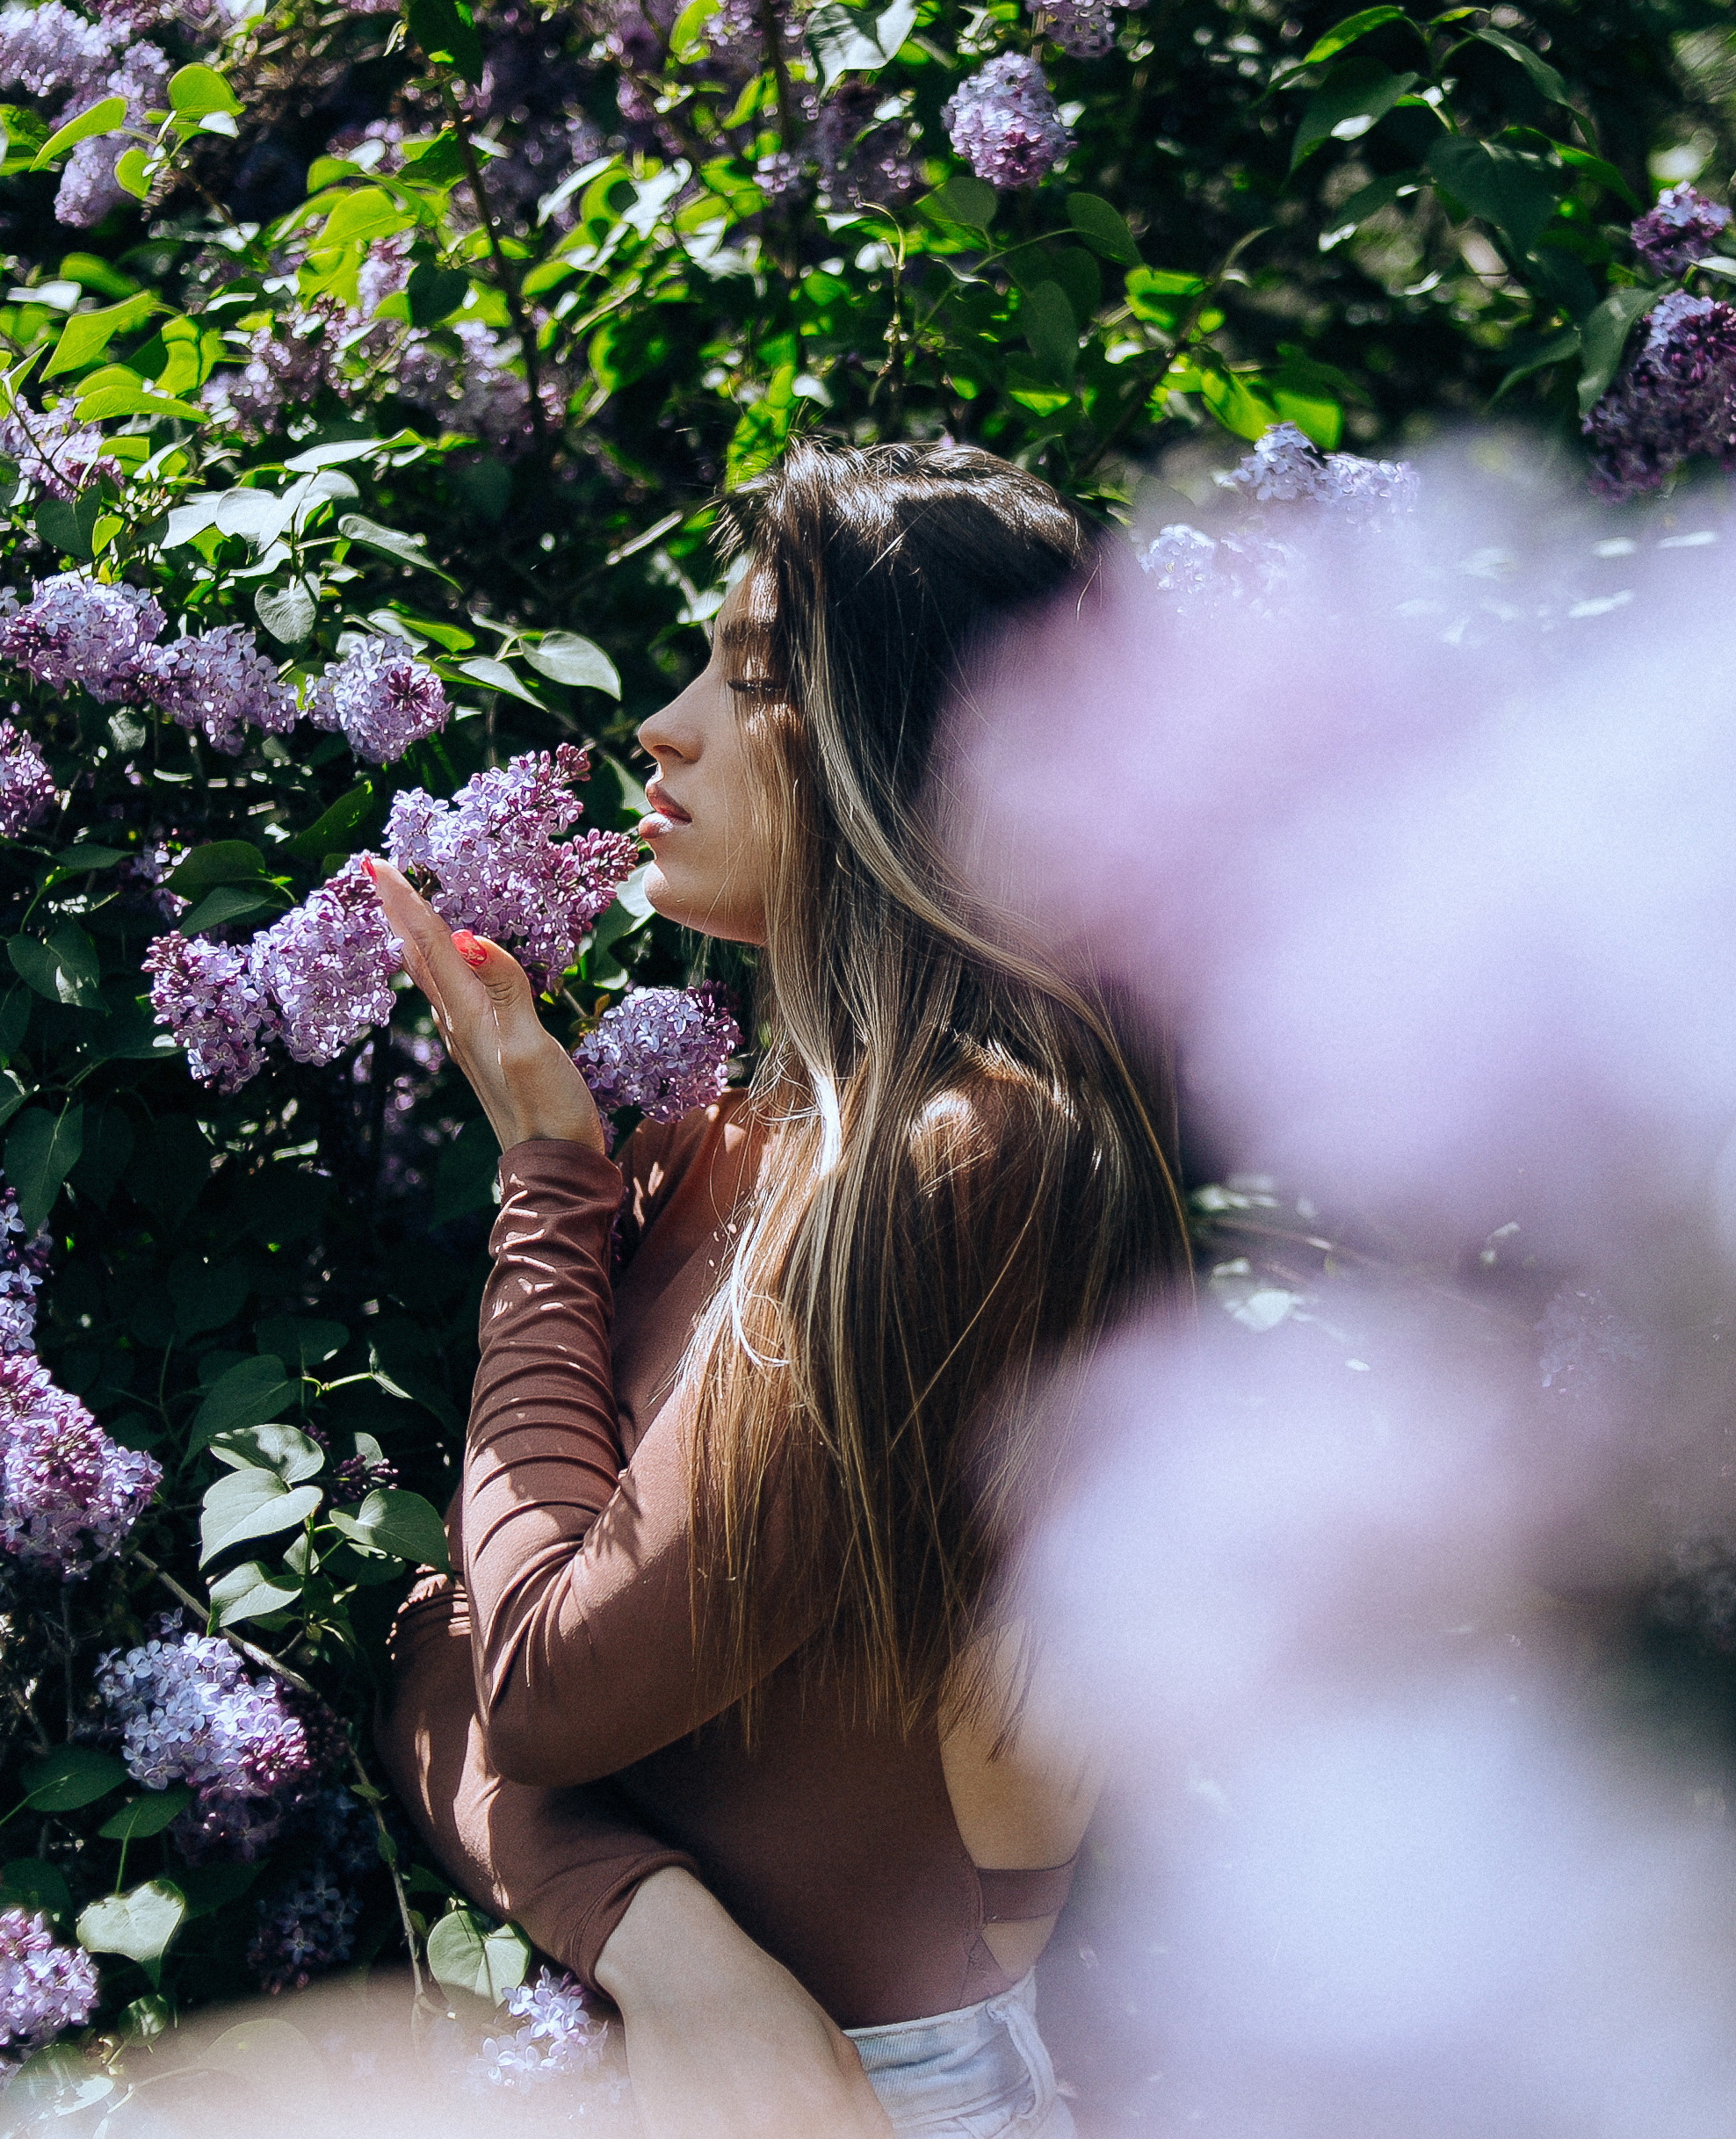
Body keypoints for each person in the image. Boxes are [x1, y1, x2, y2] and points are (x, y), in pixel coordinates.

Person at [368, 438, 1191, 2137]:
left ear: (913, 749)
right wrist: (665, 1944)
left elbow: (534, 1693)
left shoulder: (975, 1162)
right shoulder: (707, 1157)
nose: (661, 729)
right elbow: (428, 1652)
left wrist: (546, 1181)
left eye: (749, 679)